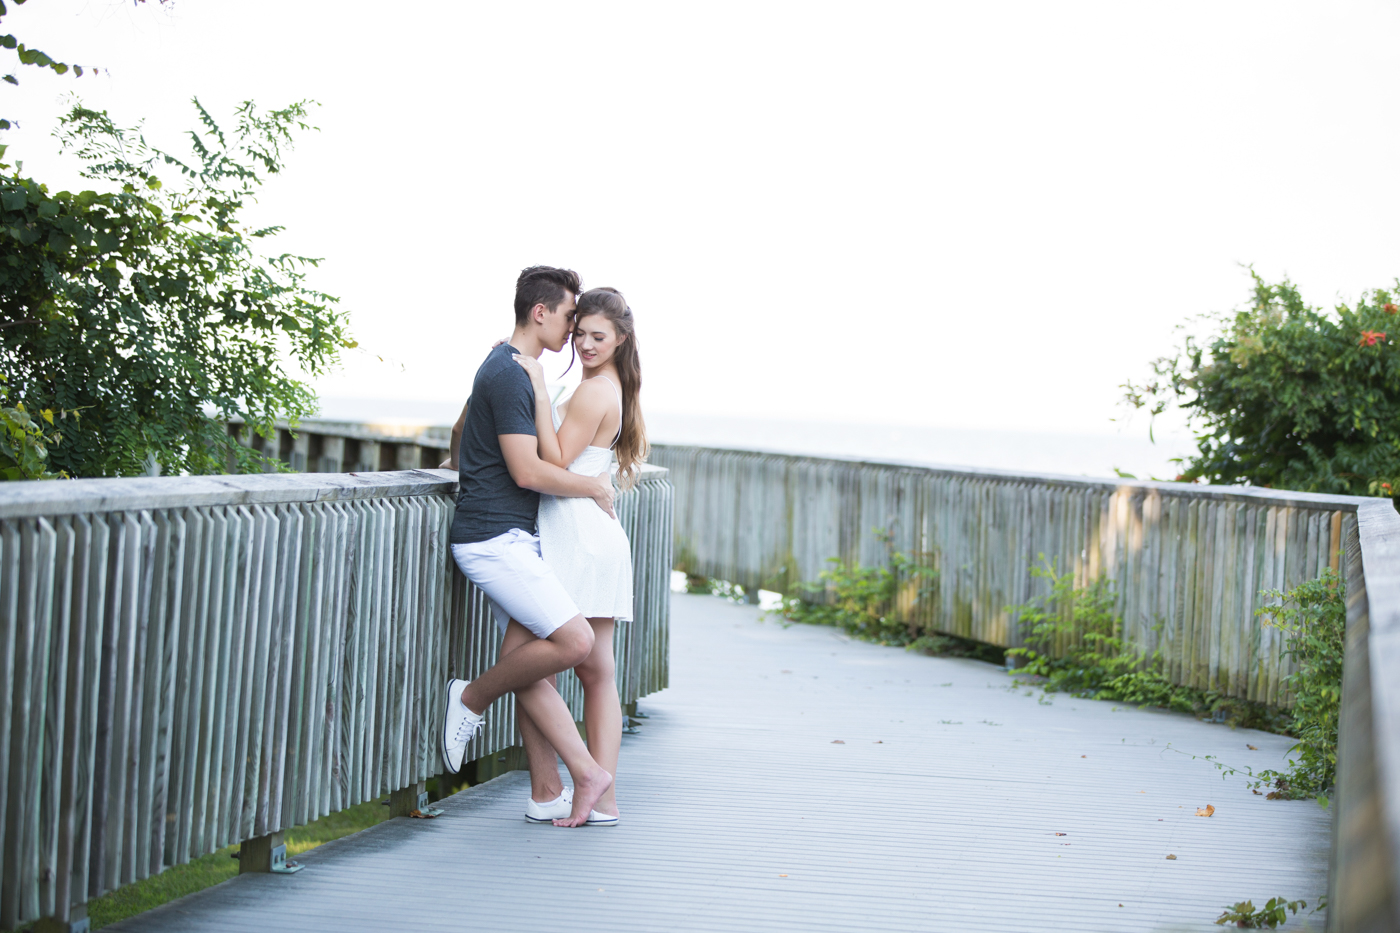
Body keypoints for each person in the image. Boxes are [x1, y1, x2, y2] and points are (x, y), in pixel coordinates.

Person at [440, 265, 614, 829]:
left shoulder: (513, 369)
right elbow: (528, 470)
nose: (572, 329)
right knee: (575, 640)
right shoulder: (511, 374)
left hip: (513, 537)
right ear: (540, 313)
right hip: (493, 540)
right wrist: (591, 484)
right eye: (568, 316)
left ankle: (547, 792)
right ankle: (471, 698)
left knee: (532, 662)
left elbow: (472, 433)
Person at [509, 286, 647, 827]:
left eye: (598, 336)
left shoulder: (593, 392)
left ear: (620, 339)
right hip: (591, 532)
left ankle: (581, 781)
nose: (585, 344)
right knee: (597, 673)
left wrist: (540, 392)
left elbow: (556, 459)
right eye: (581, 333)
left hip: (578, 534)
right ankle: (603, 798)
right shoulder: (607, 387)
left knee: (528, 662)